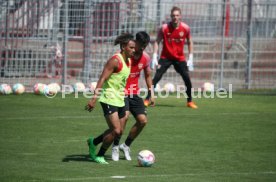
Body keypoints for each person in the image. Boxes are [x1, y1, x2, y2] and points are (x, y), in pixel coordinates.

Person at [85, 33, 135, 164]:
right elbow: (102, 79)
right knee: (116, 130)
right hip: (108, 98)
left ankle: (93, 142)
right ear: (123, 47)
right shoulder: (115, 60)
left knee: (119, 131)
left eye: (134, 47)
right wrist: (94, 99)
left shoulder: (129, 61)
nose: (133, 50)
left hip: (120, 98)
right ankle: (99, 155)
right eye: (131, 47)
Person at [111, 31, 154, 161]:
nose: (142, 47)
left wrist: (151, 93)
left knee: (143, 121)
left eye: (145, 45)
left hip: (134, 92)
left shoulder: (145, 57)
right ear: (136, 42)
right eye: (141, 44)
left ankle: (126, 145)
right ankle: (115, 146)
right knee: (124, 119)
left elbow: (147, 75)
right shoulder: (126, 54)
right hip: (122, 92)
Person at [146, 6, 198, 109]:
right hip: (165, 57)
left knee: (187, 78)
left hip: (179, 58)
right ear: (170, 16)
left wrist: (191, 57)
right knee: (156, 78)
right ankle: (147, 99)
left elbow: (190, 42)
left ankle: (190, 101)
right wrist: (155, 56)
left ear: (180, 16)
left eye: (177, 15)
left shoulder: (186, 28)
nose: (175, 17)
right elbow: (157, 41)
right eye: (173, 15)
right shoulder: (164, 28)